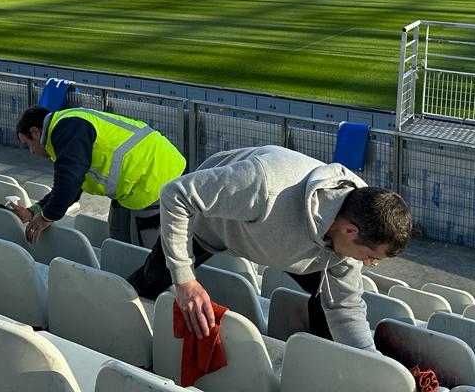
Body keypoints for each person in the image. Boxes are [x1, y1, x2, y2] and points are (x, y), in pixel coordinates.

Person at [127, 145, 413, 351]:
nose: (369, 265)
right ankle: (118, 325)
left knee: (330, 303)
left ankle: (324, 363)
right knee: (152, 281)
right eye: (371, 256)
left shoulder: (350, 237)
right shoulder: (265, 184)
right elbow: (175, 194)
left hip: (299, 249)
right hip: (212, 225)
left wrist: (373, 363)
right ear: (351, 231)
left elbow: (346, 309)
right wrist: (186, 281)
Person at [12, 105, 186, 246]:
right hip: (134, 183)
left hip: (155, 177)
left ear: (35, 132)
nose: (31, 152)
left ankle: (150, 289)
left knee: (143, 249)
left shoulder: (66, 128)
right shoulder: (66, 128)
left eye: (28, 144)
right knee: (118, 237)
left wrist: (47, 216)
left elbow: (70, 180)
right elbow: (72, 186)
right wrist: (35, 210)